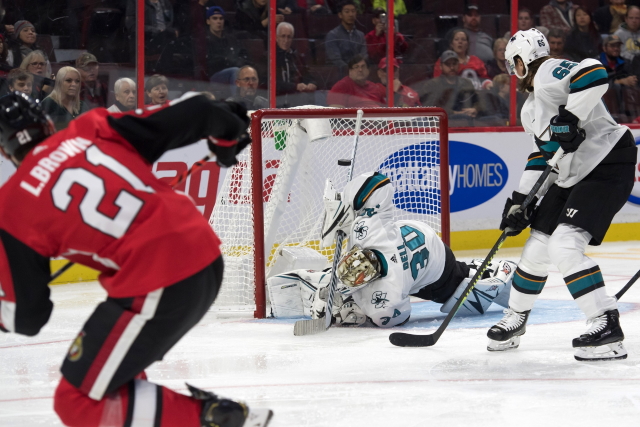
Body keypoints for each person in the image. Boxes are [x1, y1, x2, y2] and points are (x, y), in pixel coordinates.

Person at [0, 90, 274, 427]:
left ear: (3, 150)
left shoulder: (11, 208)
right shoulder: (89, 127)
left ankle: (219, 421)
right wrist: (226, 135)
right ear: (46, 122)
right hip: (204, 255)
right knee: (113, 377)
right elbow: (200, 109)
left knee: (76, 399)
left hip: (159, 278)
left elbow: (27, 317)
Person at [486, 29, 636, 361]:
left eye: (514, 64)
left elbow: (596, 73)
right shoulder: (530, 109)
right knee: (537, 248)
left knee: (564, 244)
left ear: (524, 62)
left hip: (607, 163)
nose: (513, 72)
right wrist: (519, 200)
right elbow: (545, 155)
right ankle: (516, 318)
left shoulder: (549, 73)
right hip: (573, 173)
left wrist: (570, 117)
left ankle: (605, 324)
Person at [267, 171, 516, 327]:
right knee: (352, 280)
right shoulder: (368, 230)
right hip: (416, 237)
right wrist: (347, 203)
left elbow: (397, 317)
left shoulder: (390, 285)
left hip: (437, 272)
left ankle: (496, 275)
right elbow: (377, 183)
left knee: (460, 299)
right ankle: (475, 268)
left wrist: (353, 312)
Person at [421, 50, 482, 121]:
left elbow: (479, 100)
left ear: (458, 65)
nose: (452, 67)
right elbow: (429, 107)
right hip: (443, 122)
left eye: (454, 64)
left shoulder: (466, 83)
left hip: (468, 120)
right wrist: (454, 113)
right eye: (448, 64)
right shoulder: (432, 85)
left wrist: (475, 109)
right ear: (441, 66)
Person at [205, 6, 248, 97]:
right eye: (215, 18)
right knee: (235, 71)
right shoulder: (205, 40)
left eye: (221, 18)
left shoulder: (231, 39)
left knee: (247, 72)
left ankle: (250, 100)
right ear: (208, 21)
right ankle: (237, 100)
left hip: (234, 69)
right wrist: (229, 61)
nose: (218, 21)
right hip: (213, 75)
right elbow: (210, 62)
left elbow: (242, 53)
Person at [275, 22, 317, 108]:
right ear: (276, 37)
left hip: (294, 100)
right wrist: (295, 86)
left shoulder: (295, 57)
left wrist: (312, 83)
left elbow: (307, 75)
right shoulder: (269, 57)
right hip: (277, 101)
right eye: (283, 36)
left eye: (289, 37)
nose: (286, 40)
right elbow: (270, 83)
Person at [325, 1, 368, 75]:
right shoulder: (333, 35)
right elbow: (335, 59)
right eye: (347, 12)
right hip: (341, 74)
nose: (351, 14)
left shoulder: (360, 35)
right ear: (340, 15)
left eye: (353, 11)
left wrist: (358, 69)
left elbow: (364, 55)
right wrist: (350, 70)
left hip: (359, 73)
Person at [40, 67, 89, 131]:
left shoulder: (83, 106)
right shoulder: (49, 103)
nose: (74, 84)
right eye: (69, 80)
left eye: (77, 81)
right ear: (59, 82)